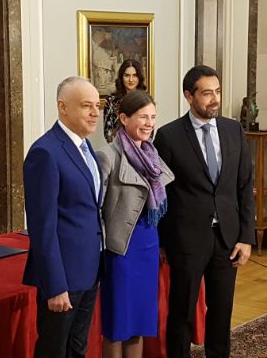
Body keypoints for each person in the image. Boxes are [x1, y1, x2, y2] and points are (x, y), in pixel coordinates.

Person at [153, 65, 255, 358]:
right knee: (181, 313)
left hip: (227, 239)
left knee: (222, 312)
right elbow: (160, 196)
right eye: (207, 93)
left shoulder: (233, 130)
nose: (215, 99)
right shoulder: (168, 136)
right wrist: (163, 242)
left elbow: (244, 185)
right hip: (186, 241)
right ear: (189, 96)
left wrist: (246, 237)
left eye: (218, 91)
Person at [22, 76, 104, 358]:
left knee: (77, 349)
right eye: (86, 106)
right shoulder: (45, 152)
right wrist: (55, 285)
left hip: (89, 271)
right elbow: (42, 228)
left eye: (97, 106)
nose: (95, 113)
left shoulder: (86, 147)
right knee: (53, 351)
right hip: (64, 279)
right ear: (63, 107)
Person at [96, 90, 174, 358]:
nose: (149, 123)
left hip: (148, 245)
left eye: (152, 117)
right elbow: (96, 208)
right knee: (117, 324)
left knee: (140, 321)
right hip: (121, 250)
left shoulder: (153, 156)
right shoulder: (107, 155)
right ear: (123, 118)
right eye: (143, 117)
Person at [103, 59, 147, 142]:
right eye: (127, 75)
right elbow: (107, 131)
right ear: (121, 77)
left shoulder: (146, 100)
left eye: (135, 75)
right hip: (117, 146)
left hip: (140, 146)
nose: (131, 79)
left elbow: (149, 127)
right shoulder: (111, 101)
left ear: (139, 77)